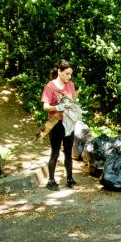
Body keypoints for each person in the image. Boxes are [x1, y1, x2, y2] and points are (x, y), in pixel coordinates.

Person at [41, 60, 78, 190]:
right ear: (59, 72)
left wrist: (73, 103)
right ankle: (51, 181)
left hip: (68, 122)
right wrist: (58, 107)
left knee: (68, 153)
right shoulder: (50, 86)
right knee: (55, 153)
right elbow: (46, 107)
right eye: (67, 74)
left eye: (70, 74)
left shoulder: (71, 85)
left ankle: (70, 179)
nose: (69, 76)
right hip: (55, 123)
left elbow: (72, 100)